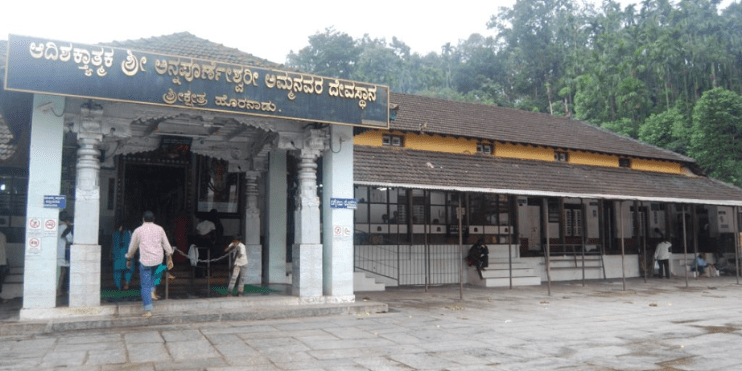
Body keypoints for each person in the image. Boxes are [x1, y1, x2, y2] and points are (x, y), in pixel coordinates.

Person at [126, 211, 174, 318]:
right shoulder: (159, 229)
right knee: (155, 276)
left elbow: (132, 247)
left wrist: (129, 257)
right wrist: (169, 255)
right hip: (158, 259)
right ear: (153, 219)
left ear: (143, 219)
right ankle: (153, 289)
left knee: (145, 285)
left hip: (146, 261)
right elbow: (166, 244)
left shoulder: (138, 230)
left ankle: (148, 309)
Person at [112, 222, 135, 291]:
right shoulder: (129, 233)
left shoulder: (114, 234)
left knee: (117, 272)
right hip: (127, 255)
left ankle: (118, 286)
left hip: (117, 256)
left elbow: (112, 245)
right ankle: (126, 284)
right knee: (128, 271)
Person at [57, 216, 73, 296]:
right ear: (67, 221)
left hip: (56, 253)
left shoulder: (56, 227)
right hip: (64, 254)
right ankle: (62, 290)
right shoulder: (68, 229)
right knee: (65, 273)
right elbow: (70, 240)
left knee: (60, 272)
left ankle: (58, 290)